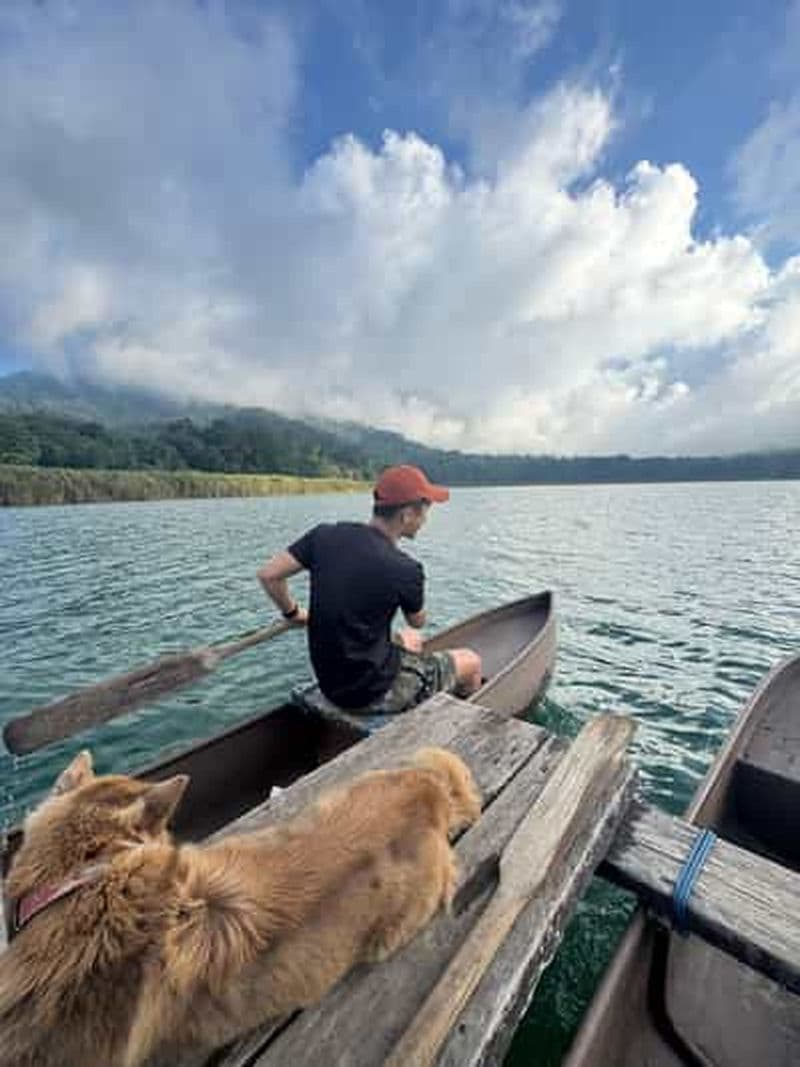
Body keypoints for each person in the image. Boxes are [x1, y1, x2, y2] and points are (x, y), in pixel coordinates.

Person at [257, 464, 482, 712]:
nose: (425, 521)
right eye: (424, 513)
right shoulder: (405, 568)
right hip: (370, 694)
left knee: (411, 639)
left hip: (331, 685)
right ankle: (461, 718)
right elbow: (418, 620)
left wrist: (292, 613)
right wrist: (415, 596)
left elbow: (269, 575)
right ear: (406, 515)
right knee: (471, 662)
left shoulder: (323, 536)